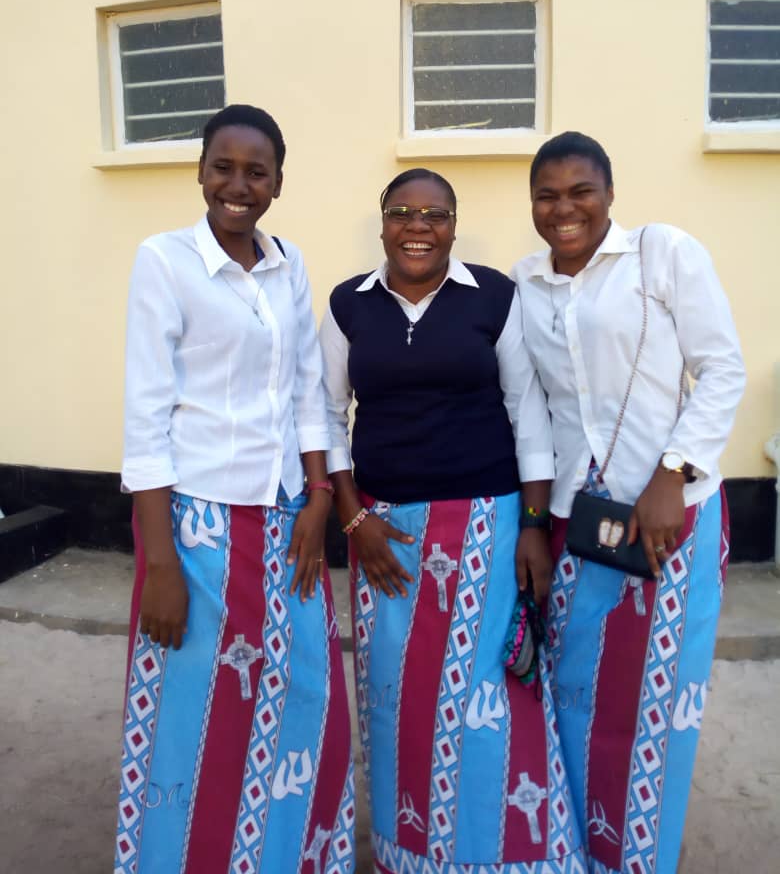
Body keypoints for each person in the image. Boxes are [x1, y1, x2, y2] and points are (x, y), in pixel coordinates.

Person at [320, 169, 587, 873]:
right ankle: (411, 853)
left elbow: (527, 412)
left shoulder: (494, 296)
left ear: (454, 224)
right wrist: (352, 516)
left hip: (485, 527)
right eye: (403, 212)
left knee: (488, 701)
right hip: (385, 536)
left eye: (434, 214)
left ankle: (508, 854)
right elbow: (322, 413)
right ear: (382, 223)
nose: (418, 225)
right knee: (395, 695)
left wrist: (533, 522)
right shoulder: (348, 305)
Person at [114, 104, 354, 874]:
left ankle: (287, 856)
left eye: (257, 171)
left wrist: (318, 501)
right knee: (194, 717)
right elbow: (146, 416)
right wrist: (160, 567)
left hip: (288, 520)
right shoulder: (164, 260)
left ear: (279, 182)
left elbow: (310, 392)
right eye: (224, 166)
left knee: (306, 704)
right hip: (197, 529)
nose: (238, 185)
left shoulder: (289, 263)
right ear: (200, 171)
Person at [511, 132, 745, 874]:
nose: (564, 208)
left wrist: (673, 472)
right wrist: (535, 523)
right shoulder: (527, 283)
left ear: (610, 192)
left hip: (668, 524)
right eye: (547, 195)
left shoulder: (664, 253)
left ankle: (638, 856)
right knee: (575, 702)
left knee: (653, 711)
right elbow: (533, 411)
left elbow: (721, 369)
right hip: (579, 527)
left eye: (581, 191)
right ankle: (577, 853)